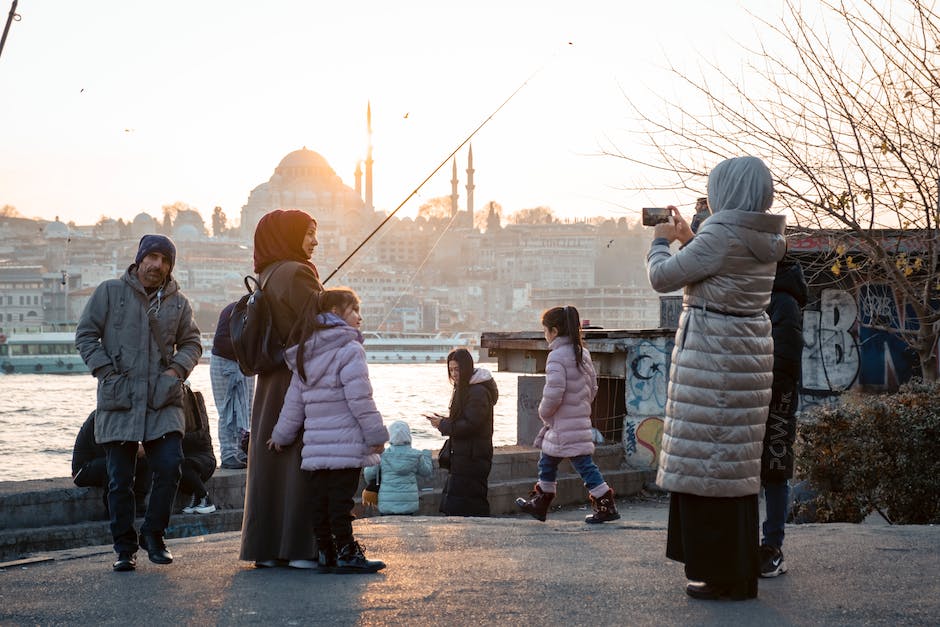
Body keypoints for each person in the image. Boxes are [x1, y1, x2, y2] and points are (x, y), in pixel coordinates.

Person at [646, 156, 786, 601]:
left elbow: (661, 278)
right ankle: (737, 573)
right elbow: (719, 267)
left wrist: (660, 242)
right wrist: (691, 237)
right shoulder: (764, 233)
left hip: (713, 358)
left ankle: (723, 580)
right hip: (746, 352)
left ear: (727, 190)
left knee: (707, 468)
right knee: (733, 468)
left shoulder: (722, 235)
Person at [75, 234, 202, 572]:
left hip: (163, 397)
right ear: (140, 258)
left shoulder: (179, 303)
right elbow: (86, 334)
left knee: (170, 465)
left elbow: (192, 342)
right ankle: (124, 547)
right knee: (120, 479)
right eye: (153, 258)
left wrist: (176, 370)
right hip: (120, 397)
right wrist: (105, 372)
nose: (157, 265)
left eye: (165, 261)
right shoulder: (109, 292)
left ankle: (154, 535)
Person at [267, 288, 390, 573]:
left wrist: (281, 436)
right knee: (341, 504)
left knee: (320, 503)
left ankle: (327, 553)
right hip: (345, 447)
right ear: (336, 312)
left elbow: (293, 403)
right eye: (354, 310)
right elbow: (360, 399)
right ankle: (348, 553)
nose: (359, 317)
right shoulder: (350, 349)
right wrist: (377, 437)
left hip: (315, 449)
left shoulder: (305, 351)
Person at [239, 209, 324, 569]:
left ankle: (268, 548)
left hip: (271, 382)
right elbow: (319, 325)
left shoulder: (267, 274)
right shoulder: (297, 272)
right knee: (299, 458)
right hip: (298, 378)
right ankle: (300, 548)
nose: (315, 241)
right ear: (289, 236)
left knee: (271, 462)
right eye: (308, 233)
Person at [515, 305, 621, 524]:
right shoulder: (583, 353)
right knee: (549, 460)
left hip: (562, 424)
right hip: (578, 419)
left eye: (545, 331)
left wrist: (544, 412)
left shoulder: (556, 357)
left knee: (582, 465)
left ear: (553, 331)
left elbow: (553, 393)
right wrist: (579, 406)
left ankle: (605, 504)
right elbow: (593, 389)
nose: (544, 335)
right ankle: (540, 504)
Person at [759, 257, 807, 578]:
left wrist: (766, 387)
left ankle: (773, 547)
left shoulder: (783, 299)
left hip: (777, 397)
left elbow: (785, 357)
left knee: (775, 471)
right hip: (760, 393)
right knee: (750, 471)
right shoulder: (767, 294)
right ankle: (755, 544)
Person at [425, 348, 497, 517]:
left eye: (457, 369)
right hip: (465, 455)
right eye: (451, 370)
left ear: (467, 368)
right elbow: (465, 420)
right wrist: (444, 420)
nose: (454, 374)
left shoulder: (477, 392)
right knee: (462, 504)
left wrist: (443, 424)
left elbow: (471, 425)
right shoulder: (466, 388)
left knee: (469, 505)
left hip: (473, 457)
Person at [72, 410, 151, 517]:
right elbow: (107, 451)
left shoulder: (124, 419)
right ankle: (112, 510)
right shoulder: (99, 418)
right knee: (112, 463)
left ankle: (138, 503)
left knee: (146, 460)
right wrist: (135, 450)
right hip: (83, 470)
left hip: (105, 462)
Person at [209, 301, 254, 470]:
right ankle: (228, 454)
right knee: (228, 410)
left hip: (245, 364)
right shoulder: (235, 310)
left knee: (246, 410)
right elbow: (220, 342)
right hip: (225, 363)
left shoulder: (249, 310)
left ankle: (242, 451)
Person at [363, 421, 433, 516]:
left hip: (387, 502)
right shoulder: (416, 455)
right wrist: (427, 455)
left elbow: (369, 474)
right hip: (408, 502)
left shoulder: (382, 455)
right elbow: (426, 472)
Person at [179, 402, 219, 515]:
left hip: (204, 457)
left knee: (184, 464)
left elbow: (200, 433)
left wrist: (176, 437)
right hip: (188, 457)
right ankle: (197, 499)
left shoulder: (195, 401)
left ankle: (205, 498)